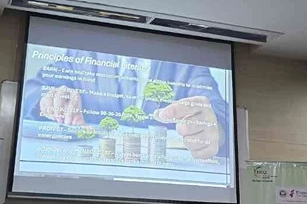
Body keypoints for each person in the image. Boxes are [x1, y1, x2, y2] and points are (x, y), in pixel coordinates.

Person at [23, 49, 230, 159]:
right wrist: (46, 99)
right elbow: (32, 89)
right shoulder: (83, 52)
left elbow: (216, 108)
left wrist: (216, 129)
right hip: (91, 173)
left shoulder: (187, 58)